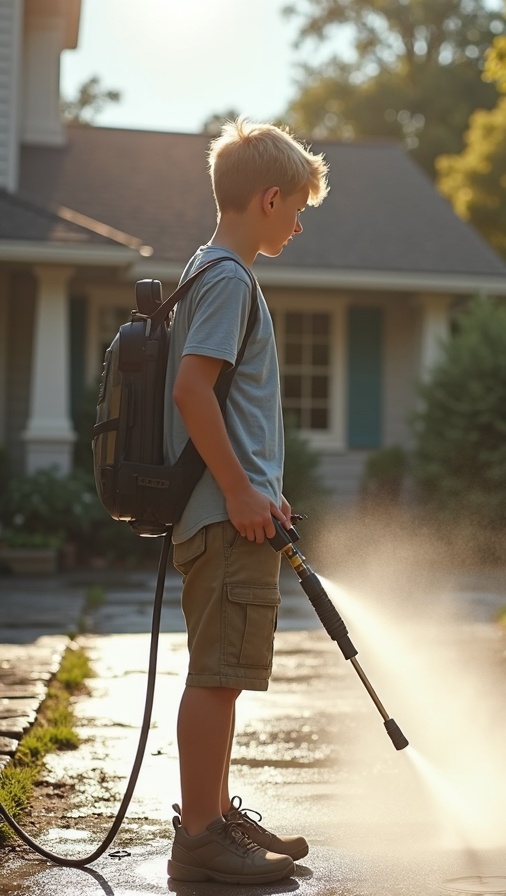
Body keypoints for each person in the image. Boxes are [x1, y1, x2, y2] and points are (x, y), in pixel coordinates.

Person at [163, 117, 329, 885]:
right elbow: (193, 392)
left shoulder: (206, 269)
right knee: (217, 675)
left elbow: (223, 407)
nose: (298, 223)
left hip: (230, 511)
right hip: (223, 519)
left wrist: (261, 486)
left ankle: (215, 813)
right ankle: (200, 835)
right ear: (268, 198)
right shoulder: (230, 278)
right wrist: (237, 490)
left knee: (222, 673)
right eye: (297, 207)